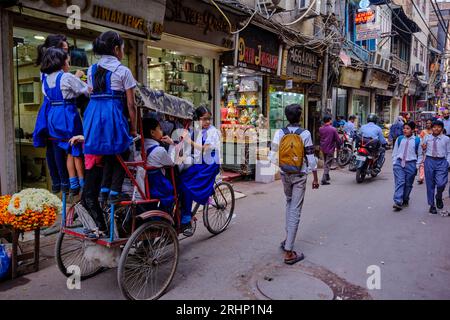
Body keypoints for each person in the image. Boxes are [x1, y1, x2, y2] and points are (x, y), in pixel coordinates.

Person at [83, 31, 137, 205]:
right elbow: (131, 105)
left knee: (107, 153)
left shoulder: (91, 70)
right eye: (122, 48)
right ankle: (114, 192)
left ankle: (104, 191)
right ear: (116, 49)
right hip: (111, 113)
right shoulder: (123, 71)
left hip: (93, 115)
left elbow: (91, 92)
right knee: (123, 150)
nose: (122, 52)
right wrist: (133, 128)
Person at [269, 104, 319, 265]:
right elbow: (311, 159)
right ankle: (289, 252)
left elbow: (272, 156)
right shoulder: (305, 134)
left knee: (289, 203)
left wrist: (284, 168)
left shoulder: (279, 133)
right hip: (299, 175)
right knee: (295, 209)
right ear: (300, 117)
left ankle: (287, 239)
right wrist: (316, 178)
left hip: (285, 175)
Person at [40, 47, 89, 196]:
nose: (69, 64)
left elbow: (48, 98)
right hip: (67, 114)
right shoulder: (66, 77)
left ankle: (72, 182)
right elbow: (85, 90)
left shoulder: (46, 80)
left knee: (67, 149)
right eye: (67, 61)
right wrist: (80, 77)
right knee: (76, 148)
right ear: (61, 63)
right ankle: (82, 182)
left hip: (53, 117)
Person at [178, 106, 221, 237]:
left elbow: (205, 149)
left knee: (188, 186)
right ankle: (184, 211)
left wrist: (188, 140)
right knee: (180, 182)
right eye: (204, 119)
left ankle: (186, 217)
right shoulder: (196, 130)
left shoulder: (213, 132)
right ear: (197, 119)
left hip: (209, 165)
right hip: (198, 163)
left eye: (209, 119)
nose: (207, 122)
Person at [143, 117, 178, 212]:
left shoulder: (141, 146)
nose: (162, 131)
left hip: (145, 185)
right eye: (160, 128)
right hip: (157, 187)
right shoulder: (159, 150)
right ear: (152, 132)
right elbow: (172, 162)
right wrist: (172, 144)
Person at [392, 121, 423, 211]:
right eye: (404, 128)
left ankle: (405, 199)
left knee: (408, 184)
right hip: (399, 163)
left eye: (407, 128)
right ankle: (398, 201)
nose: (405, 130)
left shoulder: (417, 140)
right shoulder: (400, 139)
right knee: (400, 182)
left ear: (413, 130)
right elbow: (395, 151)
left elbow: (420, 155)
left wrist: (417, 166)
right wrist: (394, 162)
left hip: (411, 164)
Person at [422, 120, 450, 214]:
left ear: (442, 128)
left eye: (438, 127)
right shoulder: (426, 137)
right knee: (430, 184)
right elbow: (422, 150)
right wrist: (423, 149)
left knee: (441, 183)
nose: (436, 129)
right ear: (431, 128)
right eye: (434, 127)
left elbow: (449, 152)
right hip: (429, 161)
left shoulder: (446, 139)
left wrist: (447, 163)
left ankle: (438, 196)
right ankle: (432, 205)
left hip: (441, 161)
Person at [319, 115, 342, 185]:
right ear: (329, 120)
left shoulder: (321, 129)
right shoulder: (333, 129)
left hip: (323, 147)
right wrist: (339, 147)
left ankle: (327, 176)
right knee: (328, 163)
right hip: (330, 148)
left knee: (326, 161)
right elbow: (338, 139)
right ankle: (324, 179)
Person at [418, 119, 433, 184]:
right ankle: (421, 177)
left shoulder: (434, 131)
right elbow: (420, 140)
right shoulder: (423, 131)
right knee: (422, 164)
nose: (428, 124)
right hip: (424, 150)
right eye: (427, 123)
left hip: (432, 151)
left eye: (429, 123)